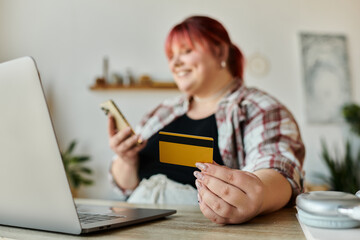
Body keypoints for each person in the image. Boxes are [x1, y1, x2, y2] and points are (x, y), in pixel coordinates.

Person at [108, 15, 305, 224]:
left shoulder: (258, 108)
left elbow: (280, 169)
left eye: (186, 51)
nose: (175, 63)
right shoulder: (160, 112)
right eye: (171, 56)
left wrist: (258, 195)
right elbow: (126, 188)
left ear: (220, 51)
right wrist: (127, 160)